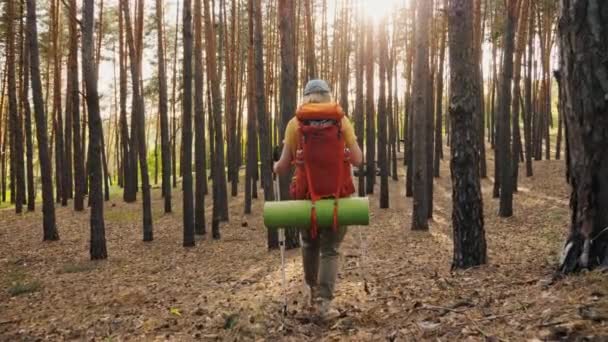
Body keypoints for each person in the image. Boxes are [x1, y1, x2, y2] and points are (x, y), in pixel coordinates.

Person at [273, 79, 363, 319]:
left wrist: (276, 165)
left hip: (306, 200)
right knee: (330, 250)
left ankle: (311, 294)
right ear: (328, 96)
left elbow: (282, 166)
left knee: (309, 244)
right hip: (338, 199)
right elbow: (358, 159)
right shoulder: (341, 121)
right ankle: (324, 305)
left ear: (306, 98)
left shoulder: (295, 124)